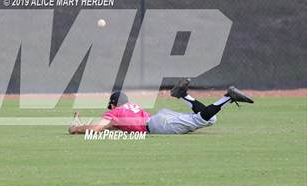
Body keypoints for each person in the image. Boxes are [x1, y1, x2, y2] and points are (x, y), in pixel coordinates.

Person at [68, 79, 254, 135]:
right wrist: (80, 123)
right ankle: (184, 96)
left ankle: (228, 97)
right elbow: (110, 127)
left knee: (202, 119)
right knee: (210, 118)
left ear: (114, 103)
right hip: (160, 117)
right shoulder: (131, 107)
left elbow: (98, 128)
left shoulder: (114, 112)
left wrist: (76, 128)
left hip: (158, 125)